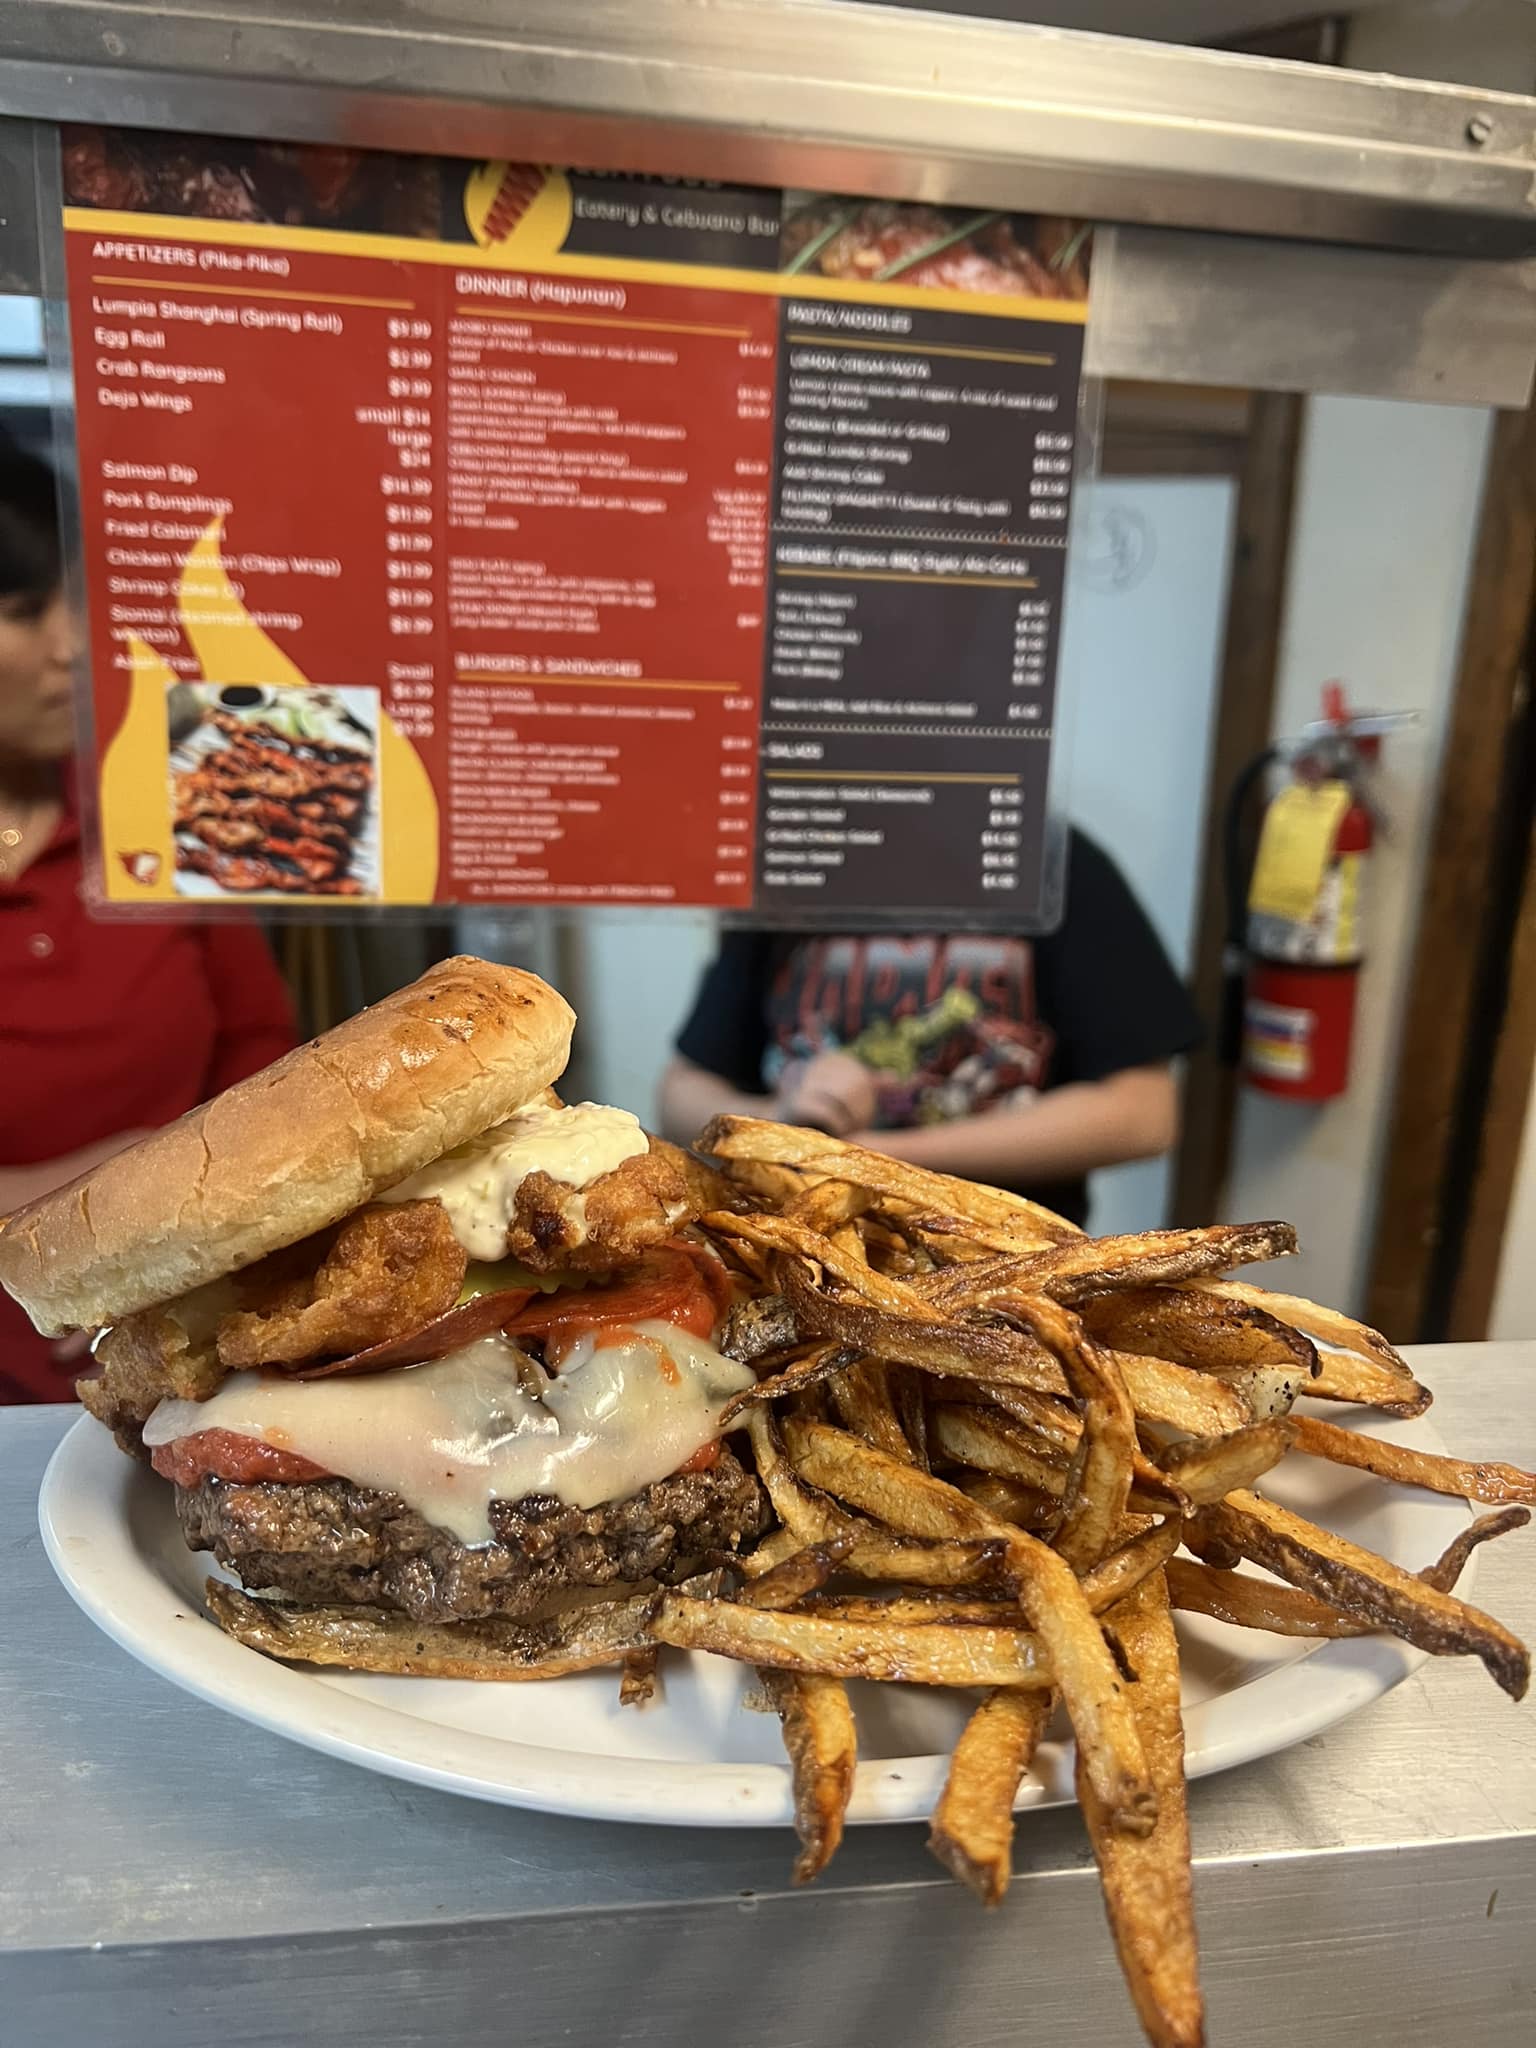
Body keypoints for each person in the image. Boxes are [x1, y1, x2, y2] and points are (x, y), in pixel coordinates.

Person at [0, 439, 297, 1401]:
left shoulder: (152, 797)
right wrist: (54, 1229)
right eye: (23, 612)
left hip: (184, 1300)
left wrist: (178, 1231)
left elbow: (258, 1041)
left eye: (77, 603)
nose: (69, 646)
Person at [660, 830, 1201, 1227]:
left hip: (1011, 1256)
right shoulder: (794, 867)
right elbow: (681, 1095)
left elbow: (1144, 1113)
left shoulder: (1053, 861)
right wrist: (782, 1119)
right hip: (796, 1246)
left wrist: (869, 1158)